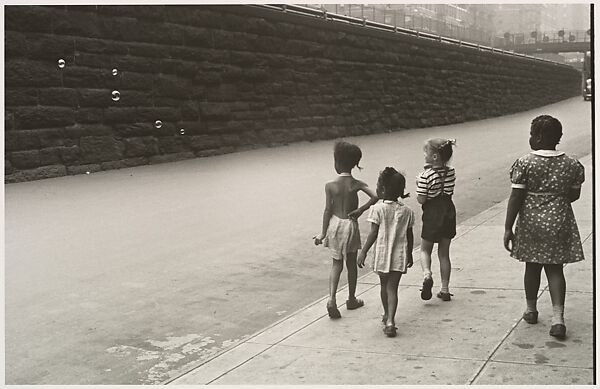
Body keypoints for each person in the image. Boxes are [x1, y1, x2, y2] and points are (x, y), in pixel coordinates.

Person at [504, 115, 585, 339]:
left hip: (531, 223)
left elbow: (515, 197)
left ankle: (531, 310)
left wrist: (508, 227)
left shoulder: (525, 163)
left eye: (532, 134)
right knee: (555, 269)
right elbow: (574, 195)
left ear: (538, 137)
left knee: (532, 267)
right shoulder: (571, 164)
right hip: (559, 220)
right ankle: (558, 318)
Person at [314, 141, 378, 319]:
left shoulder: (330, 185)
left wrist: (322, 233)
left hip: (335, 225)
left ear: (337, 163)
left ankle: (332, 299)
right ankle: (351, 299)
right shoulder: (355, 183)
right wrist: (361, 210)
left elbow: (327, 210)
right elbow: (375, 196)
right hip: (350, 225)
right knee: (351, 263)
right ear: (354, 164)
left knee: (336, 264)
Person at [358, 167, 414, 337]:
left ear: (382, 189)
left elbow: (373, 233)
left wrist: (364, 252)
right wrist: (410, 253)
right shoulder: (407, 211)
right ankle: (391, 319)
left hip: (383, 255)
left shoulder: (377, 209)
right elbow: (409, 236)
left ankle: (386, 315)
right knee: (393, 289)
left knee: (384, 286)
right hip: (399, 255)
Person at [416, 138, 457, 302]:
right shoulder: (451, 172)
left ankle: (427, 274)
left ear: (434, 157)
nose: (424, 155)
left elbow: (421, 199)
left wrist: (419, 181)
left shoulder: (425, 176)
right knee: (444, 253)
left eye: (426, 152)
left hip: (432, 215)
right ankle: (445, 289)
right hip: (448, 213)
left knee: (425, 249)